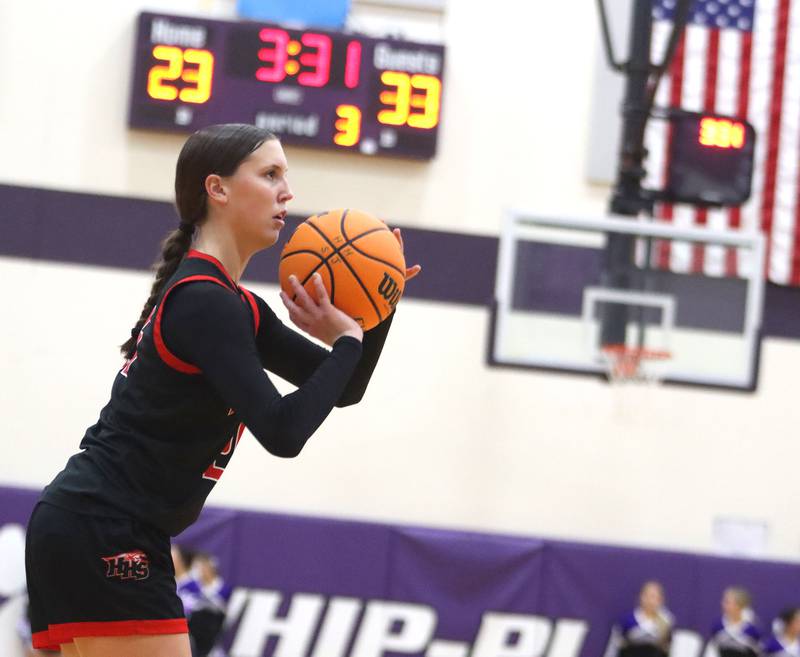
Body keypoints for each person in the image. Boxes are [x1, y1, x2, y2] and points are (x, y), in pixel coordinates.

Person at [24, 123, 420, 657]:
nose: (288, 192)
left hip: (88, 523)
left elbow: (344, 388)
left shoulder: (234, 305)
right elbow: (283, 432)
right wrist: (348, 338)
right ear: (218, 188)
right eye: (270, 174)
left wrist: (379, 307)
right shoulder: (205, 301)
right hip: (107, 527)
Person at [611, 581, 674, 657]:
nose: (650, 601)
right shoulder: (628, 620)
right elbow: (616, 646)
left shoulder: (665, 622)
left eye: (654, 597)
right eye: (647, 596)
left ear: (660, 600)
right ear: (641, 597)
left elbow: (667, 648)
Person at [707, 587, 762, 657]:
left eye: (727, 602)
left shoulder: (752, 629)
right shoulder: (718, 625)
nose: (722, 604)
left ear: (739, 605)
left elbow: (757, 652)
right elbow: (712, 650)